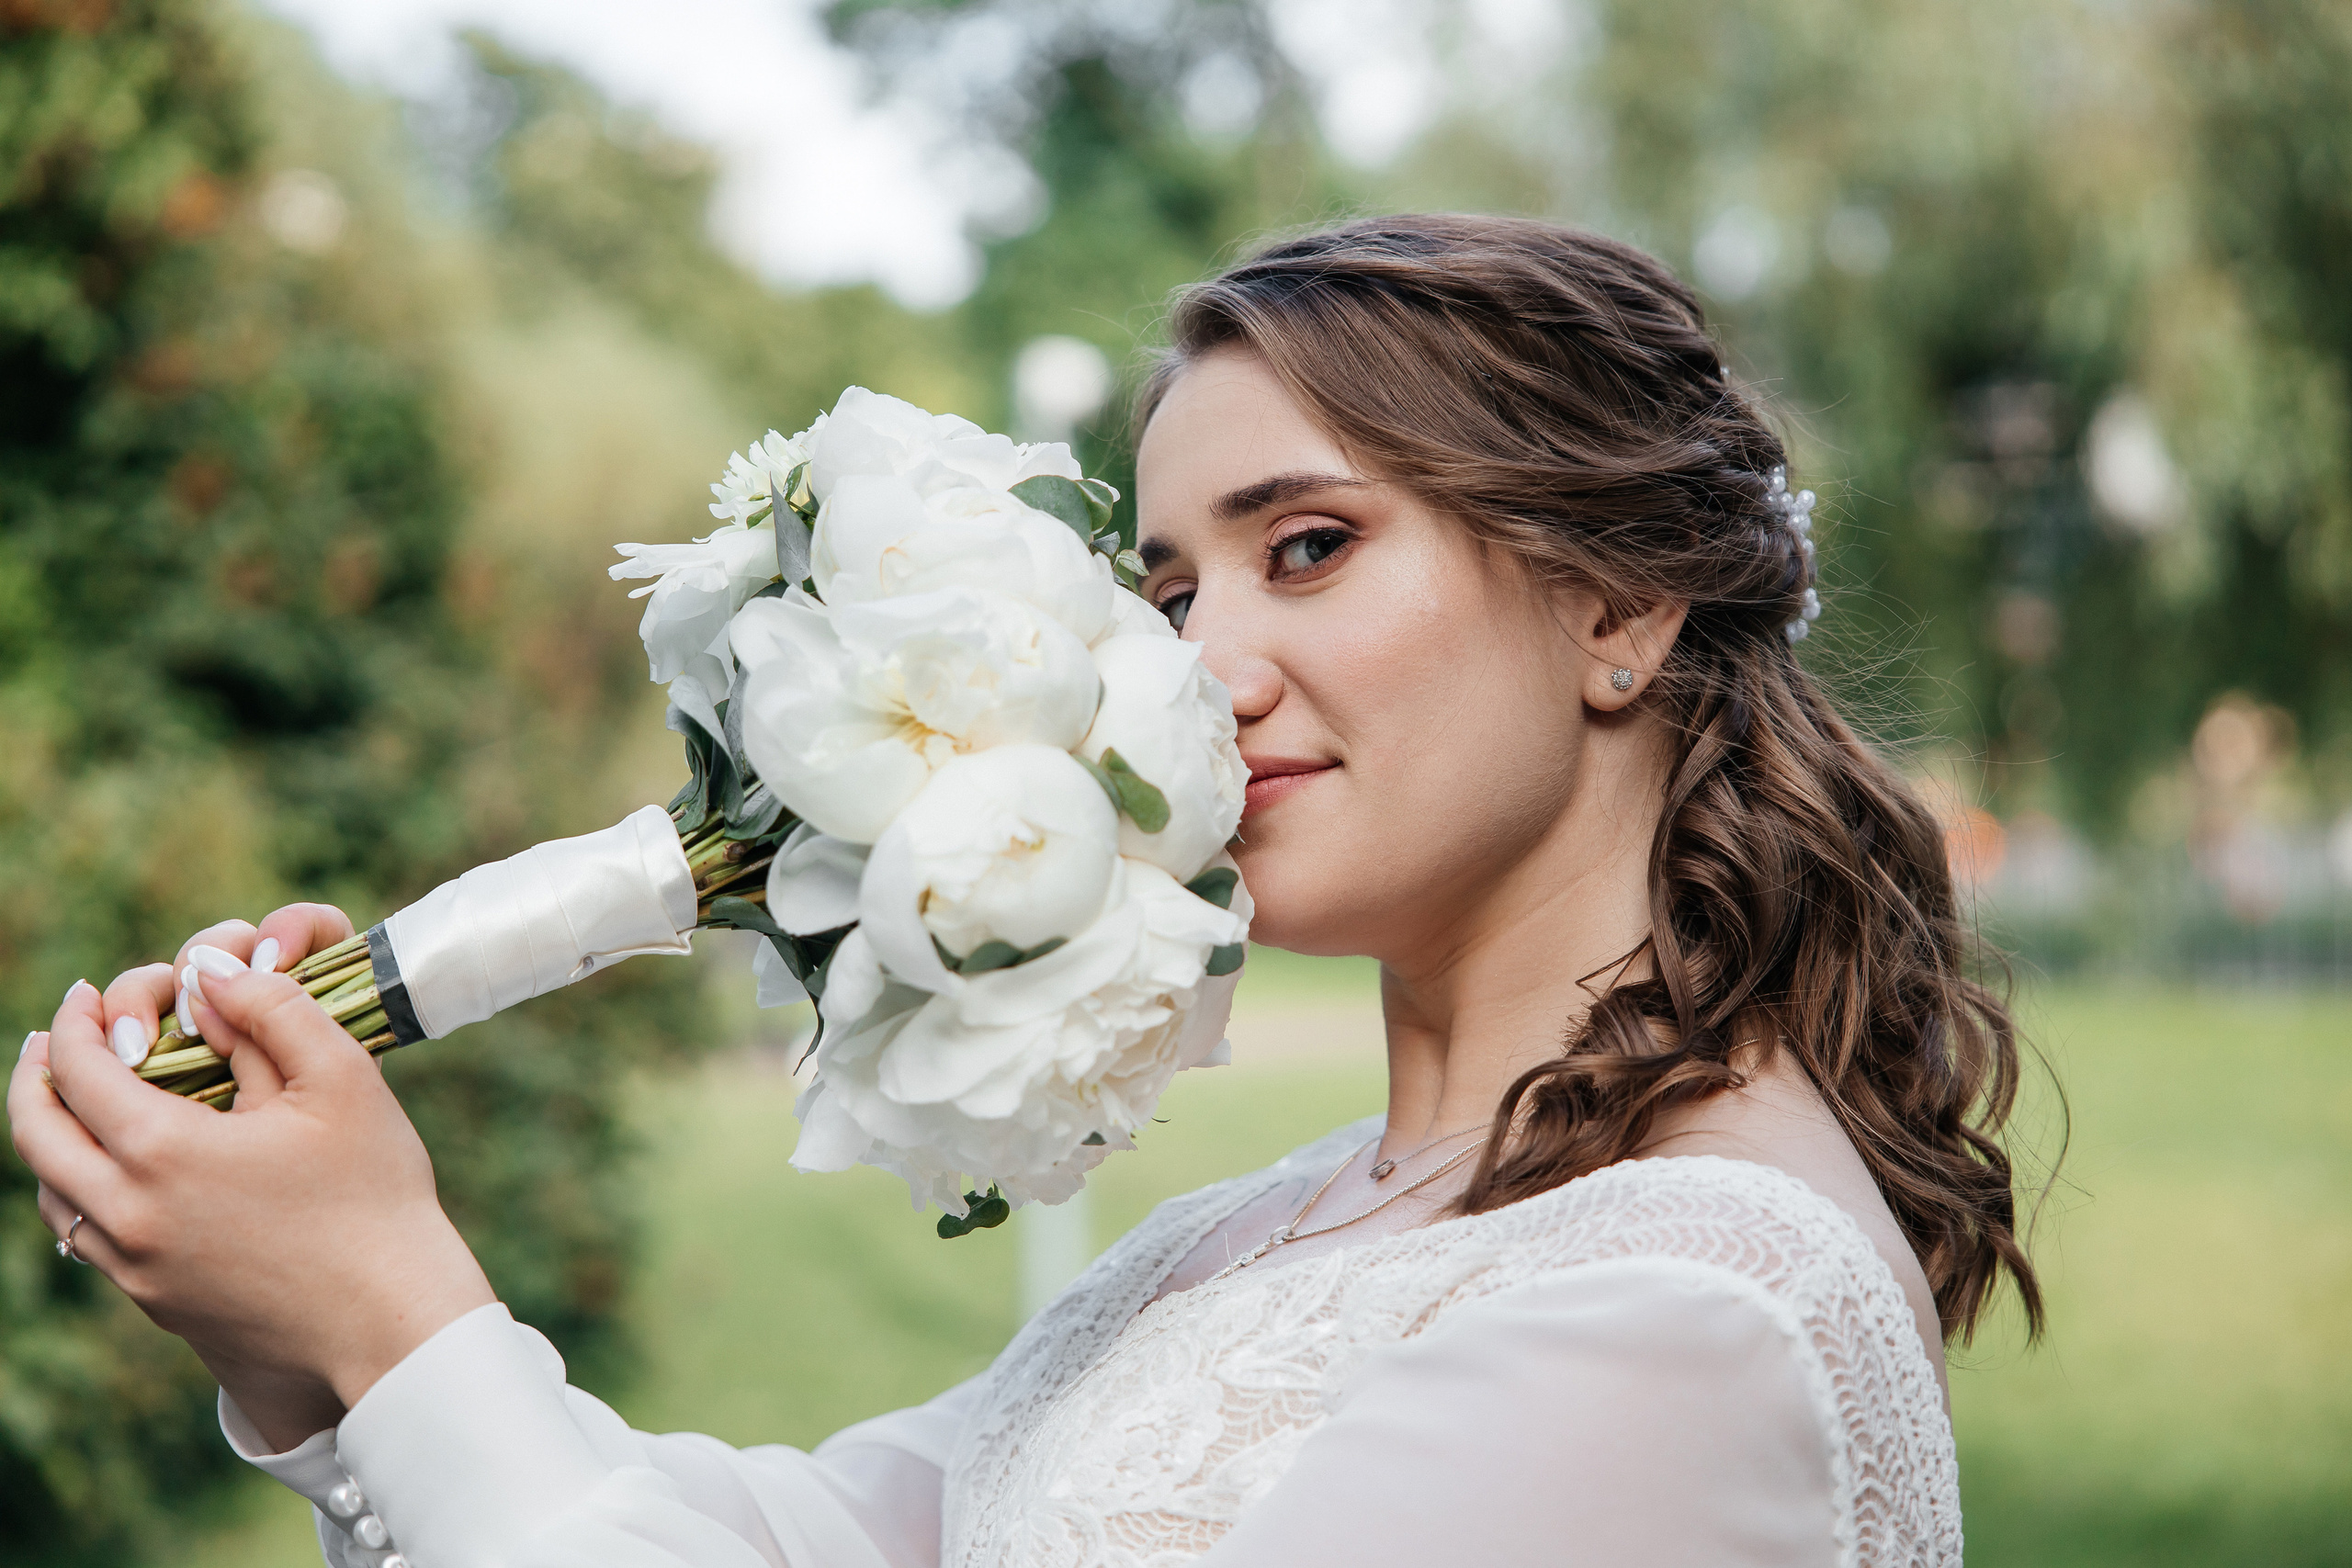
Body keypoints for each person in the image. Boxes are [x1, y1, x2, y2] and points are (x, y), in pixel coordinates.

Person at [9, 215, 2041, 1567]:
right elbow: (795, 1542)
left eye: (1307, 546)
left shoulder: (1679, 1314)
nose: (1196, 667)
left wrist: (390, 1301)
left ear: (1616, 597)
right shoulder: (1282, 1224)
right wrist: (313, 1314)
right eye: (1166, 586)